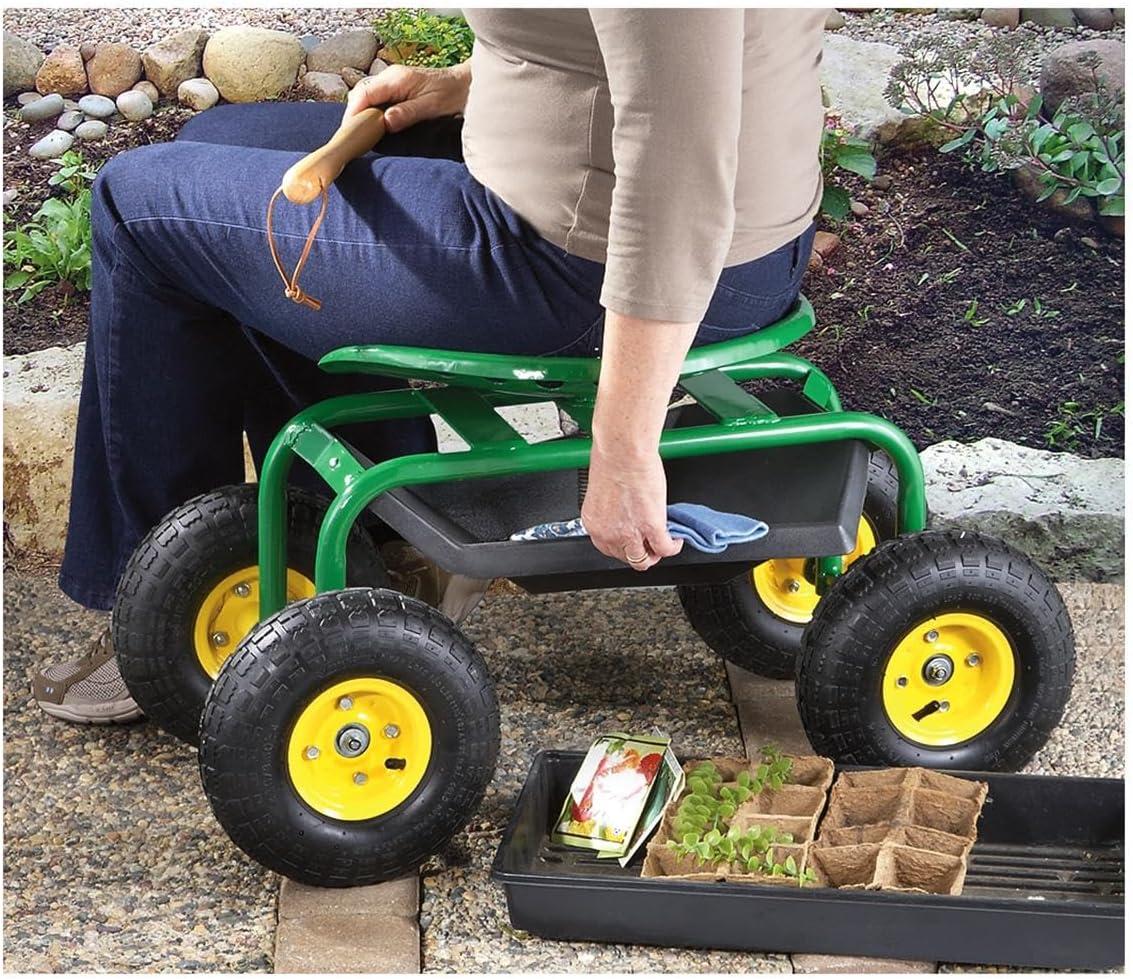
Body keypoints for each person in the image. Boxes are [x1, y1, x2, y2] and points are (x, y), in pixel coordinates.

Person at [34, 9, 825, 722]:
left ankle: (167, 620)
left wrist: (623, 445)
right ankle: (390, 547)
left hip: (595, 262)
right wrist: (464, 85)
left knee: (140, 207)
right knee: (215, 146)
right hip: (664, 221)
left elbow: (678, 162)